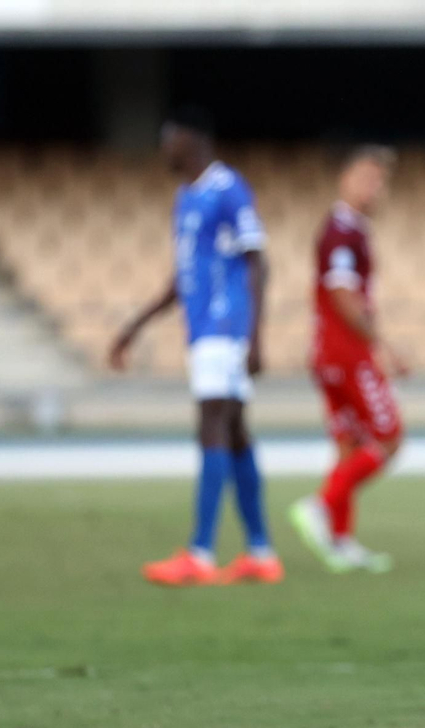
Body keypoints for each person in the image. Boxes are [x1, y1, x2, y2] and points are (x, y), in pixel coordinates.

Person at [110, 106, 281, 587]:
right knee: (236, 433)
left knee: (212, 426)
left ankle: (201, 553)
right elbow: (181, 277)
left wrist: (255, 336)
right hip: (204, 328)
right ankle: (261, 553)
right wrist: (134, 327)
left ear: (193, 139)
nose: (164, 149)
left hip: (225, 328)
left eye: (169, 139)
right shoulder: (185, 198)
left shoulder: (228, 189)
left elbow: (258, 261)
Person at [288, 146, 409, 573]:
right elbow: (342, 293)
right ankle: (321, 505)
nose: (373, 188)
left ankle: (340, 542)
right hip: (347, 352)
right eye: (365, 178)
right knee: (389, 438)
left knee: (349, 445)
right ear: (344, 179)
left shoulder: (347, 229)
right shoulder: (342, 231)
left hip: (328, 352)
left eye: (379, 181)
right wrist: (384, 346)